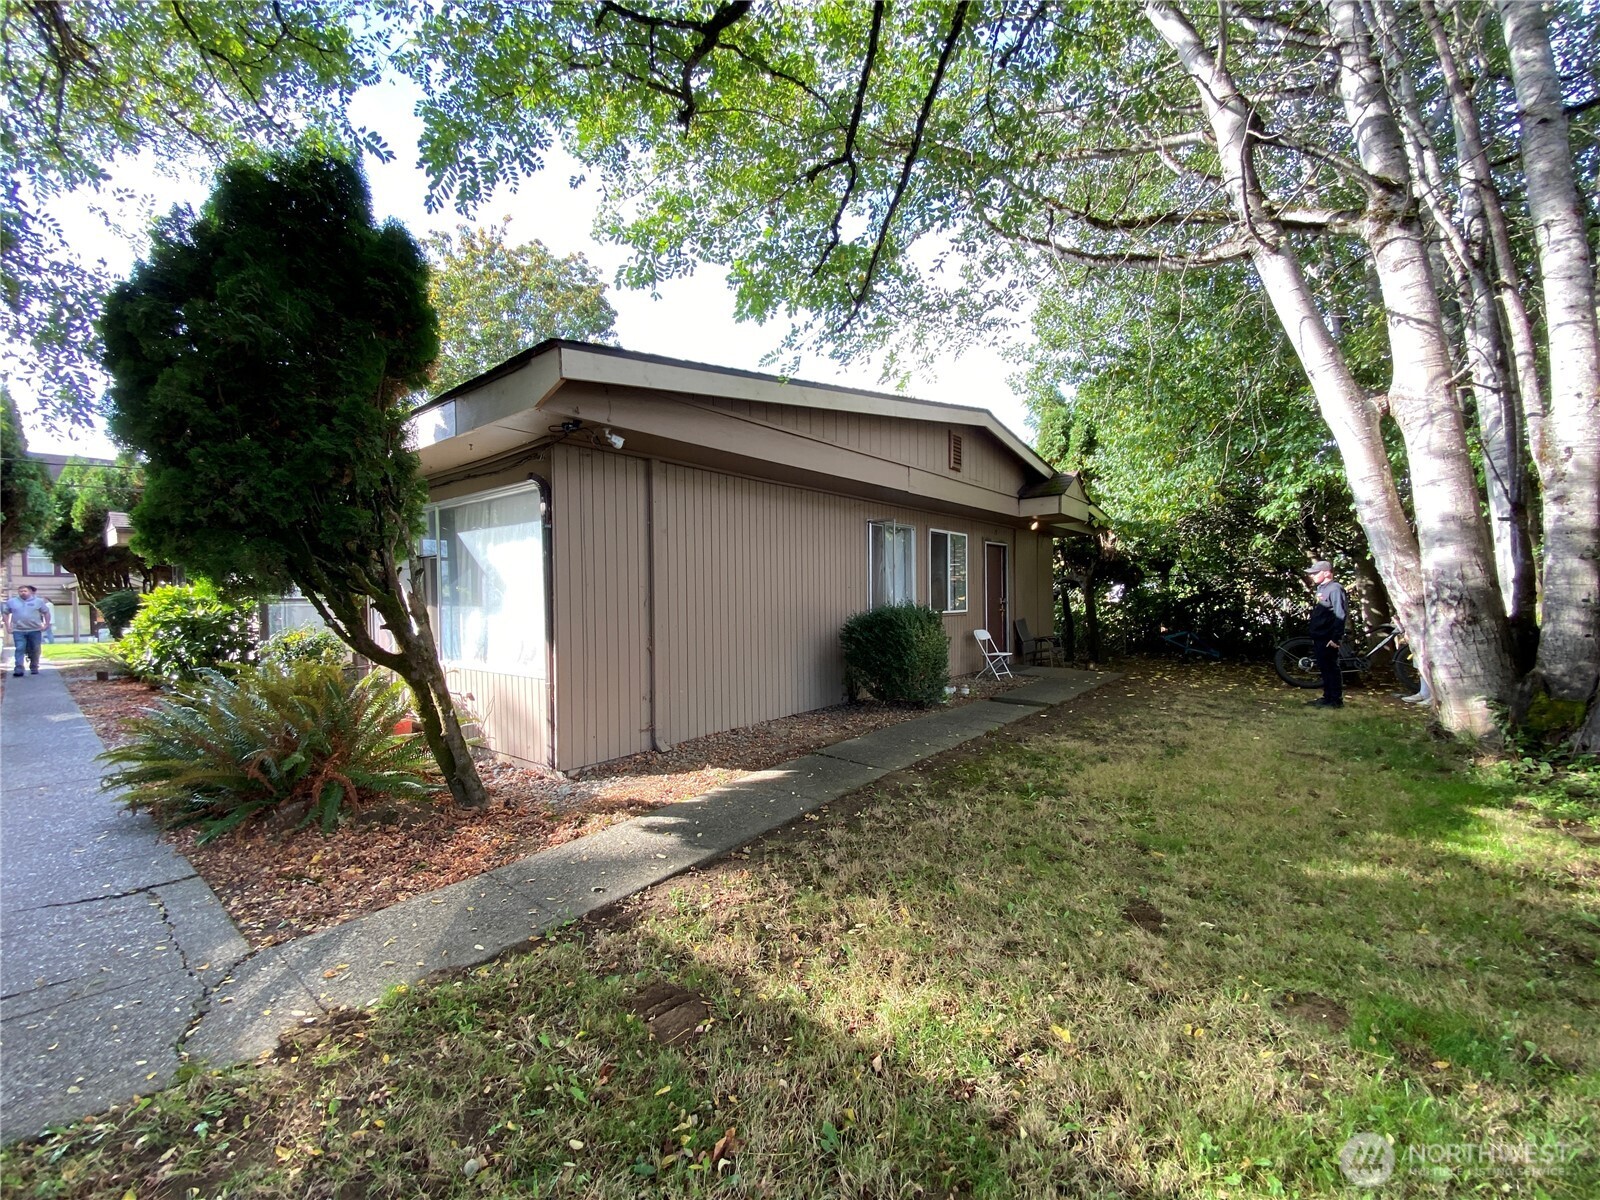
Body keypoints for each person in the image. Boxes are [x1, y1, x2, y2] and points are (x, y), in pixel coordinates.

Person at [1304, 560, 1346, 709]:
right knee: (1324, 668)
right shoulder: (1322, 588)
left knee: (1331, 668)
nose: (1312, 576)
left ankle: (1335, 700)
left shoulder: (1335, 589)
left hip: (1329, 637)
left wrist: (1336, 637)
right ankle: (1327, 697)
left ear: (1327, 572)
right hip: (1319, 635)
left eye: (1316, 573)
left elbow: (1340, 614)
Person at [4, 584, 52, 677]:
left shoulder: (38, 601)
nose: (23, 593)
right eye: (20, 591)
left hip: (34, 630)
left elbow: (46, 612)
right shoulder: (12, 602)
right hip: (18, 630)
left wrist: (46, 624)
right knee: (19, 648)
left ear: (30, 592)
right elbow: (5, 613)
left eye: (25, 591)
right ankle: (19, 668)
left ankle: (34, 666)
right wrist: (8, 625)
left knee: (35, 649)